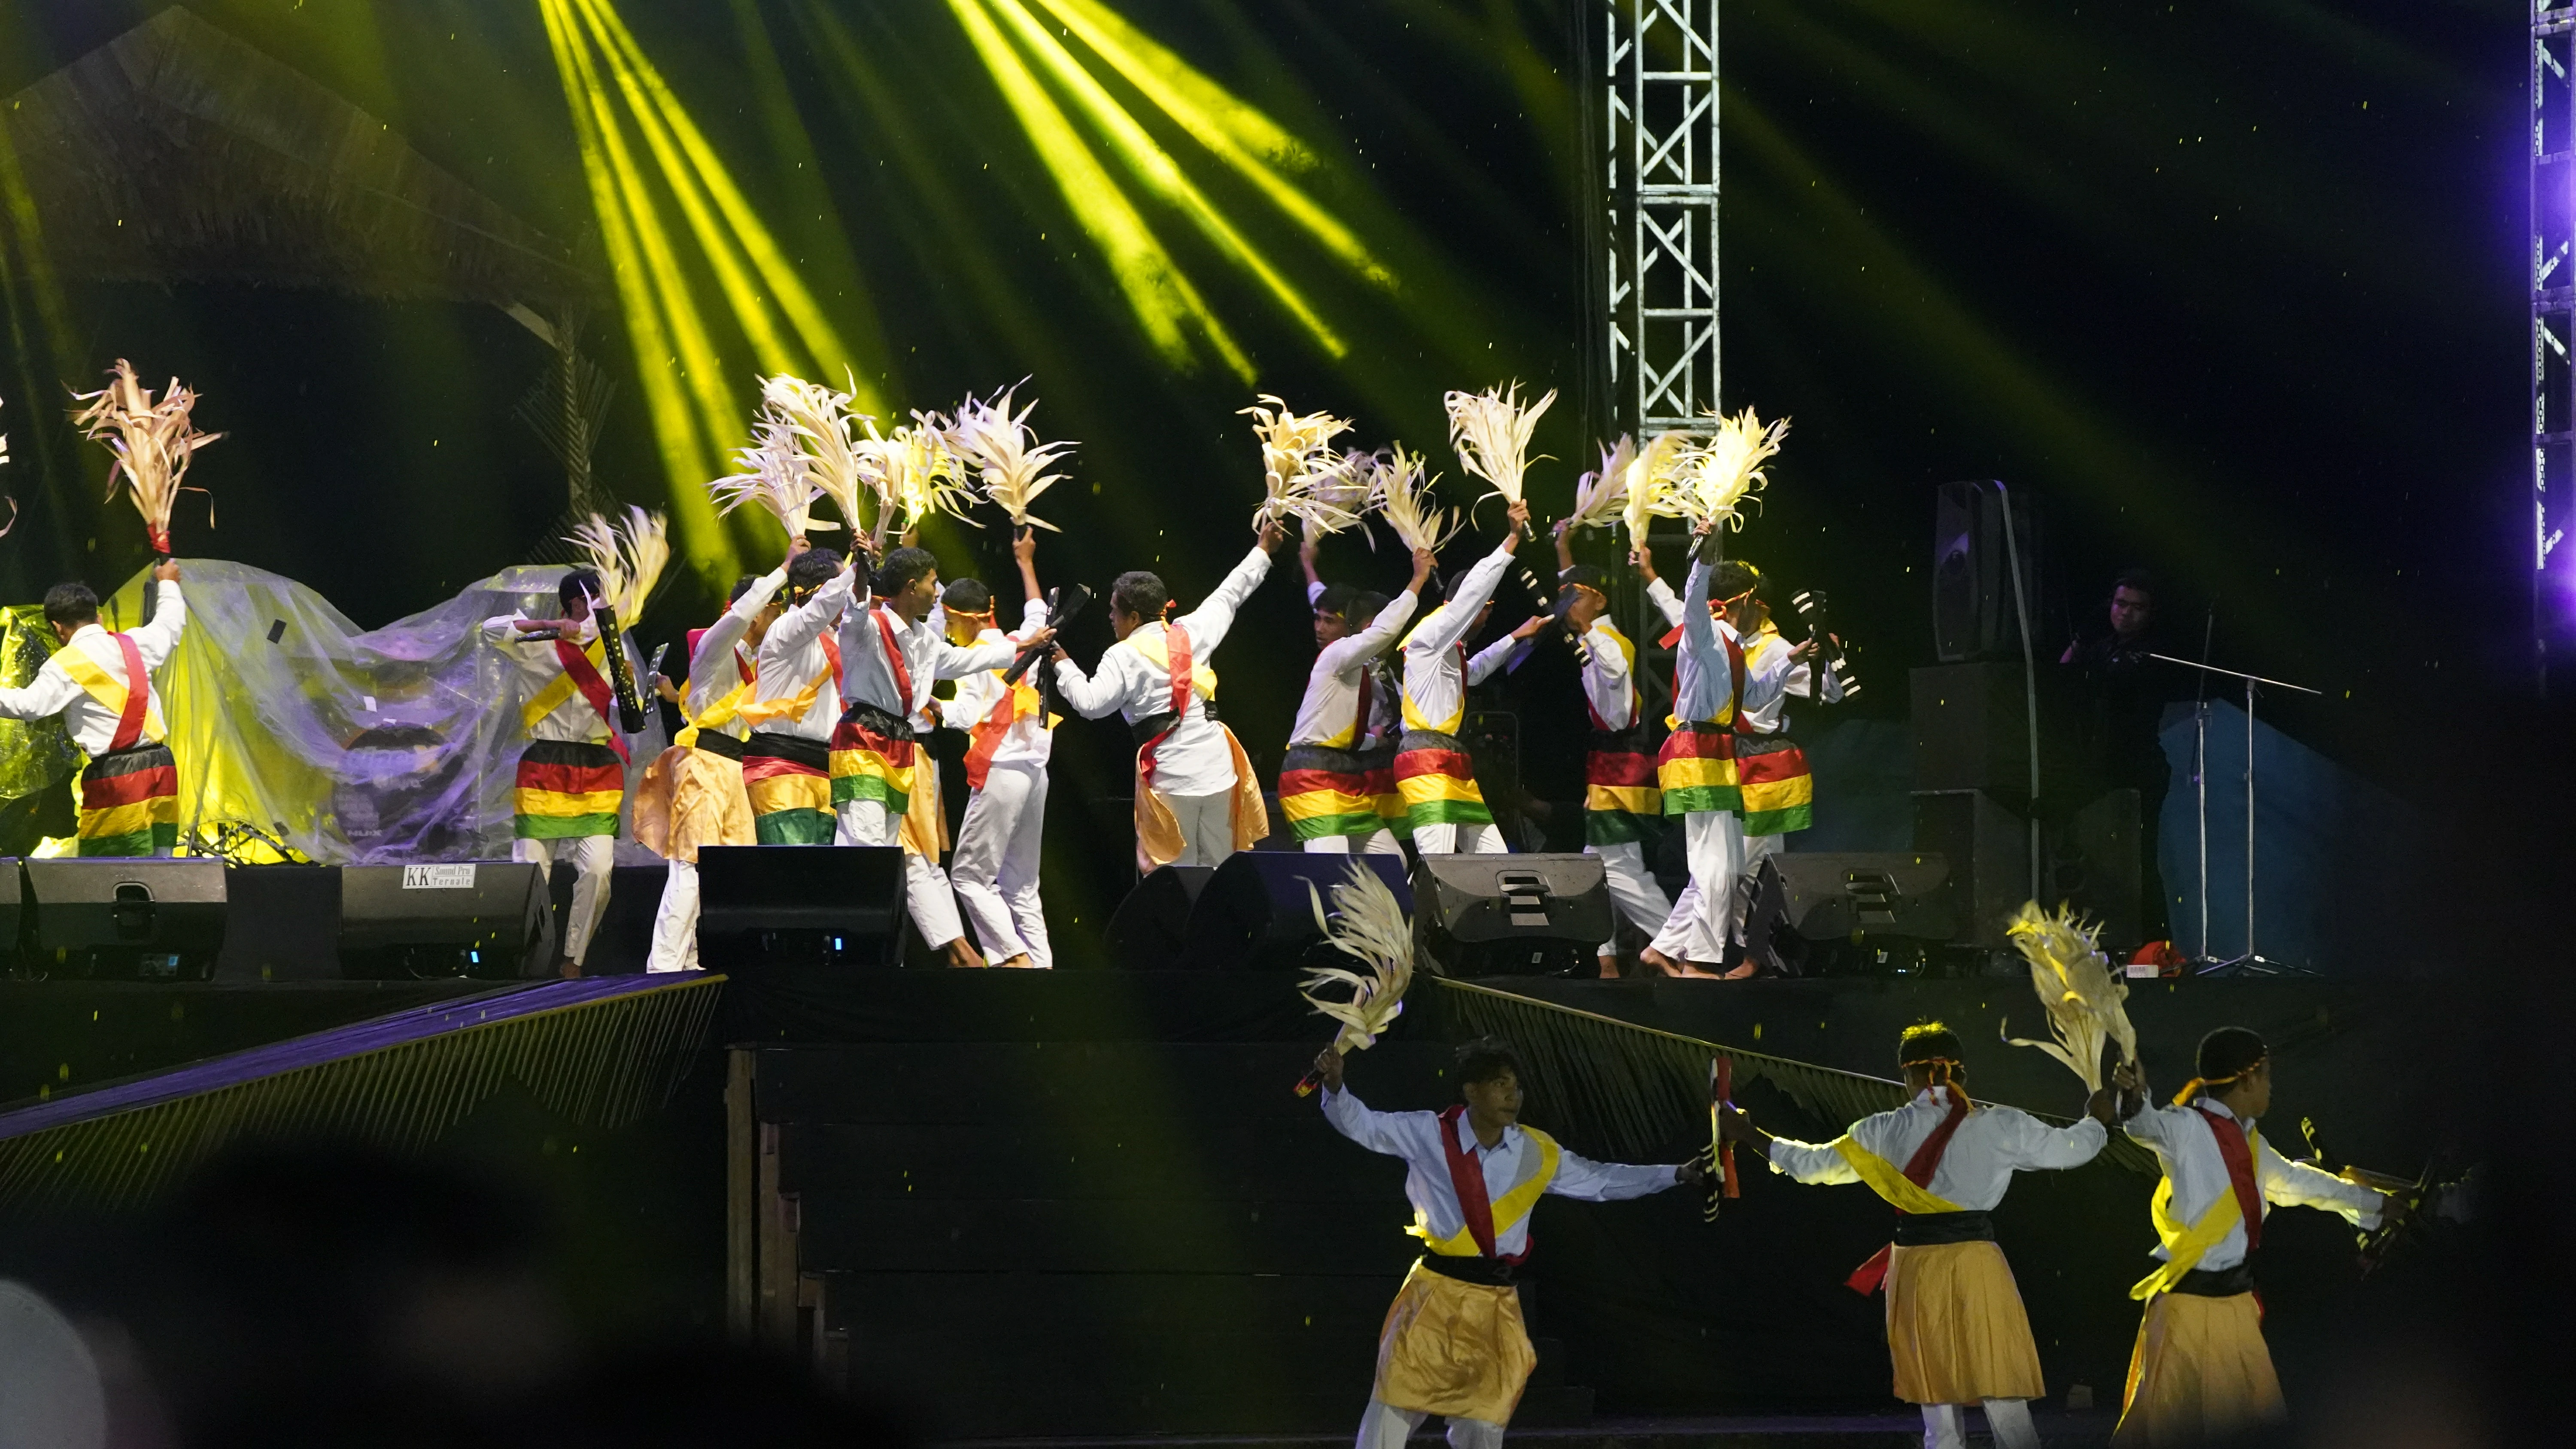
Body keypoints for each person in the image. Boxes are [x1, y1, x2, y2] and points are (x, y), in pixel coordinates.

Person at [1720, 1023, 2118, 1449]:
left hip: (1916, 1266)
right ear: (1960, 1074)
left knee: (1935, 1390)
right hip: (1976, 1264)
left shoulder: (1881, 1130)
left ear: (1907, 1076)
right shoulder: (2001, 1125)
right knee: (1999, 1378)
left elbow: (1811, 1166)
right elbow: (2073, 1149)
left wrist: (1748, 1134)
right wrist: (2097, 1118)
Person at [1315, 1036, 1704, 1449]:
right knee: (1392, 1414)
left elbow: (1602, 1180)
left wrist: (1676, 1174)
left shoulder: (1536, 1152)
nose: (1512, 1095)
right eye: (1500, 1084)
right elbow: (1364, 1125)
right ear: (1471, 1090)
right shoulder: (1427, 1132)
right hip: (1435, 1298)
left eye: (1516, 1087)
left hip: (1495, 1306)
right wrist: (1336, 1087)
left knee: (1483, 1426)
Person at [2110, 1028, 2400, 1447]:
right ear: (2247, 1080)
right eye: (2266, 1076)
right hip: (2188, 1310)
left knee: (2243, 1427)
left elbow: (2302, 1183)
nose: (2269, 1086)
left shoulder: (2254, 1146)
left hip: (2234, 1310)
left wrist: (2375, 1203)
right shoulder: (2187, 1127)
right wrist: (2136, 1096)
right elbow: (2144, 1125)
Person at [836, 546, 1039, 970]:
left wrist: (1025, 645)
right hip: (863, 742)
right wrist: (860, 567)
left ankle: (876, 955)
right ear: (912, 587)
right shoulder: (869, 626)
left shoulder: (924, 639)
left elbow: (965, 660)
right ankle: (859, 959)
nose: (936, 590)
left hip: (898, 746)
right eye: (932, 582)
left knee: (889, 850)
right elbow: (854, 607)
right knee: (868, 847)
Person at [1051, 519, 1287, 872]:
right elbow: (1231, 593)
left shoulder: (1124, 655)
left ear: (1133, 616)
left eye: (1115, 611)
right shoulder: (1191, 631)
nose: (1111, 618)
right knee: (1222, 874)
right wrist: (1264, 549)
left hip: (1174, 779)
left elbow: (1090, 705)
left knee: (1177, 879)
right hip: (1218, 770)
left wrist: (1064, 666)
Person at [1644, 529, 1801, 976]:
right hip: (1698, 750)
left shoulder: (1730, 644)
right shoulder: (1703, 631)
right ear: (1746, 600)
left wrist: (1793, 659)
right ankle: (1698, 960)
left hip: (1718, 750)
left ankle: (1677, 950)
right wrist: (1702, 561)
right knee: (1716, 865)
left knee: (1728, 867)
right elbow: (1693, 598)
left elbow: (1752, 694)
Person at [635, 552, 792, 973]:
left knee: (722, 875)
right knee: (689, 867)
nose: (780, 621)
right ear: (757, 612)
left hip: (735, 769)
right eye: (775, 610)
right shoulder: (714, 645)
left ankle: (691, 962)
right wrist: (784, 567)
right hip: (703, 765)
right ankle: (663, 970)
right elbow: (739, 615)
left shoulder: (757, 662)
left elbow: (705, 704)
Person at [483, 567, 636, 977]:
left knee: (600, 870)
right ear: (576, 604)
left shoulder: (612, 652)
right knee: (530, 873)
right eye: (596, 603)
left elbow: (629, 714)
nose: (605, 612)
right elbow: (490, 629)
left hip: (596, 770)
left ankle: (574, 959)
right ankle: (525, 959)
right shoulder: (538, 646)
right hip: (545, 767)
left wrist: (631, 688)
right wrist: (553, 626)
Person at [0, 563, 186, 858]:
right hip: (161, 767)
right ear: (98, 617)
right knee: (158, 864)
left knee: (112, 869)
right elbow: (170, 625)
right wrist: (168, 584)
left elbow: (28, 705)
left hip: (118, 777)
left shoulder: (67, 664)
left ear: (57, 628)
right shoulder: (135, 644)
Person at [1548, 524, 1666, 976]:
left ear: (1599, 600)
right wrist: (1563, 549)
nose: (1568, 606)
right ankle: (1605, 957)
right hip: (1609, 767)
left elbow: (1614, 666)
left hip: (1621, 768)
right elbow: (1573, 592)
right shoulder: (1591, 637)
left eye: (1577, 597)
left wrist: (1584, 627)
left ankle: (1677, 941)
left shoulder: (1612, 644)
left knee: (1617, 870)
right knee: (1595, 867)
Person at [937, 531, 1057, 969]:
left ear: (966, 619)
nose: (949, 635)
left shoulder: (978, 655)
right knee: (1022, 882)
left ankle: (1014, 959)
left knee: (969, 875)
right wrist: (1025, 563)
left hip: (1002, 767)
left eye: (949, 624)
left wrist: (934, 707)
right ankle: (1042, 969)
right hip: (1035, 771)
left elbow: (967, 711)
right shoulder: (1021, 639)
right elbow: (1037, 611)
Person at [1395, 499, 1531, 854]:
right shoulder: (1434, 633)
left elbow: (1470, 675)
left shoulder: (1448, 648)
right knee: (1438, 862)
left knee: (1494, 861)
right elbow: (1473, 593)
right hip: (1427, 759)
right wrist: (1512, 540)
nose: (1485, 618)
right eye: (1485, 611)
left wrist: (1515, 637)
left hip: (1450, 758)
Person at [1281, 546, 1434, 854]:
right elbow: (1384, 629)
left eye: (1329, 621)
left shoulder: (1363, 665)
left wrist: (1309, 565)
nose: (1319, 628)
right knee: (1331, 873)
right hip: (1311, 775)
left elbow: (1346, 738)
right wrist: (1419, 579)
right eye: (1318, 620)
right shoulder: (1339, 655)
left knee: (1392, 863)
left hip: (1343, 773)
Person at [2059, 569, 2173, 949]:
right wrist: (2082, 636)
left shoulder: (2153, 652)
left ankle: (2157, 947)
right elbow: (2063, 674)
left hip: (2139, 768)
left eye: (2136, 608)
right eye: (2120, 604)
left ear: (2149, 614)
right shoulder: (2103, 645)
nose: (2125, 613)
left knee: (2140, 860)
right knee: (2092, 857)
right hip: (2102, 767)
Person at [738, 546, 859, 844]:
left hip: (823, 766)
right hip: (781, 765)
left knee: (816, 883)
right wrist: (859, 566)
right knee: (791, 877)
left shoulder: (835, 638)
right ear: (819, 591)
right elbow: (821, 609)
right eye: (841, 585)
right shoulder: (786, 628)